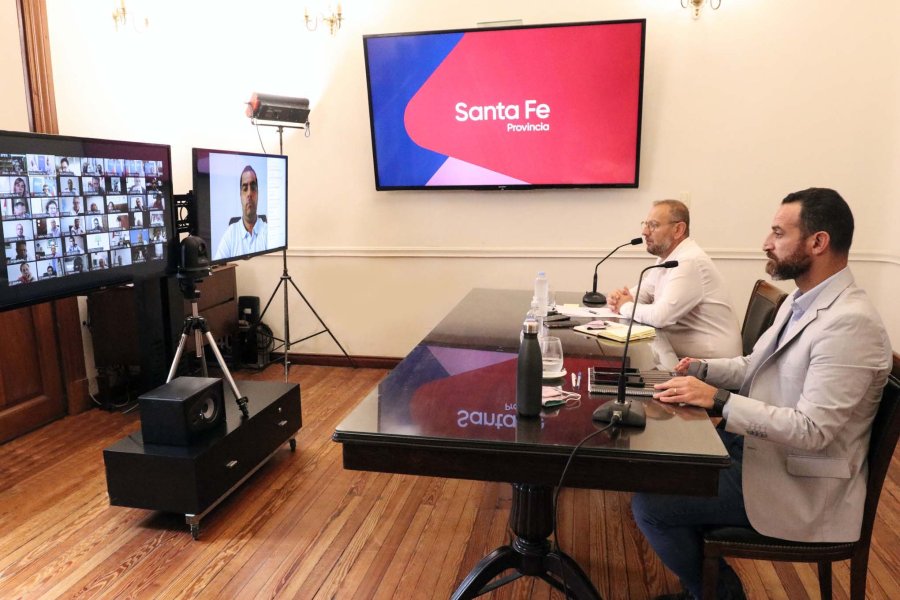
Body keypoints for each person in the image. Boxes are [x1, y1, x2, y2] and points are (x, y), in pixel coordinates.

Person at [631, 188, 892, 600]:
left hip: (797, 481)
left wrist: (717, 399)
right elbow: (753, 365)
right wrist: (701, 370)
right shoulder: (802, 301)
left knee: (651, 506)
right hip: (759, 447)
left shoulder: (850, 325)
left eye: (777, 232)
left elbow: (813, 431)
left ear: (817, 242)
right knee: (662, 464)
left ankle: (721, 594)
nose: (766, 243)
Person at [607, 200, 741, 360]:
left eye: (653, 225)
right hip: (680, 358)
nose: (644, 232)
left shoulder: (690, 261)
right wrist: (620, 299)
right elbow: (643, 293)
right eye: (645, 224)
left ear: (678, 229)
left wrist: (625, 306)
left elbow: (661, 317)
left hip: (710, 365)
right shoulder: (669, 257)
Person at [214, 165, 267, 260]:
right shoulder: (230, 235)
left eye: (253, 187)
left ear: (258, 193)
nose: (249, 194)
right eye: (245, 188)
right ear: (240, 195)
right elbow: (218, 268)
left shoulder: (269, 233)